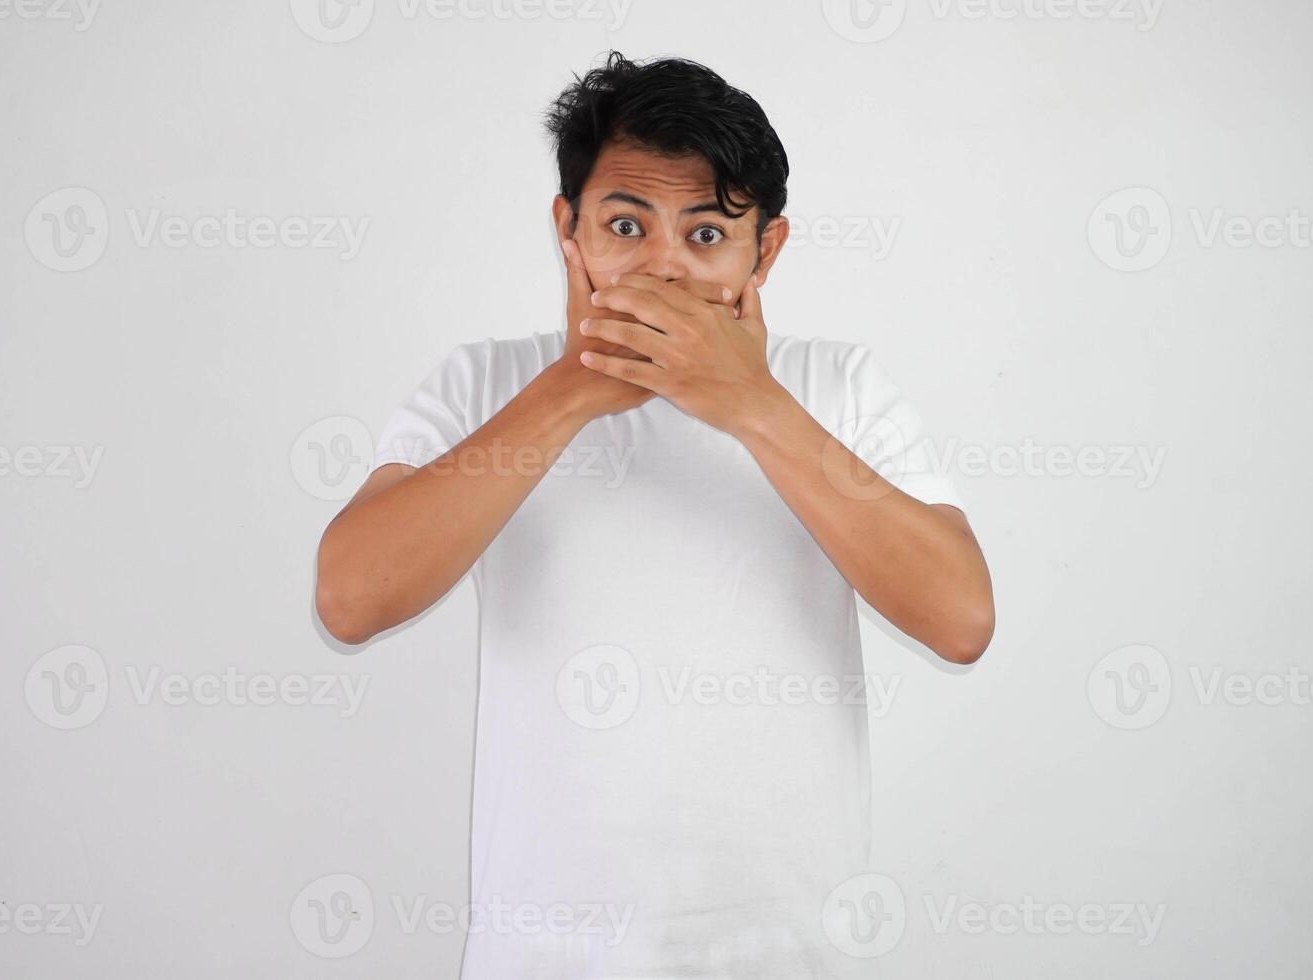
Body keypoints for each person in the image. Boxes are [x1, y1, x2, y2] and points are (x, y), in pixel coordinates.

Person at [315, 50, 994, 979]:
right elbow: (351, 601)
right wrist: (571, 391)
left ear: (769, 248)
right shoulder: (485, 384)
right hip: (538, 959)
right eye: (626, 224)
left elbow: (960, 620)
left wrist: (752, 404)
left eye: (708, 233)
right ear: (569, 229)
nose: (664, 268)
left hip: (790, 957)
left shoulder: (839, 387)